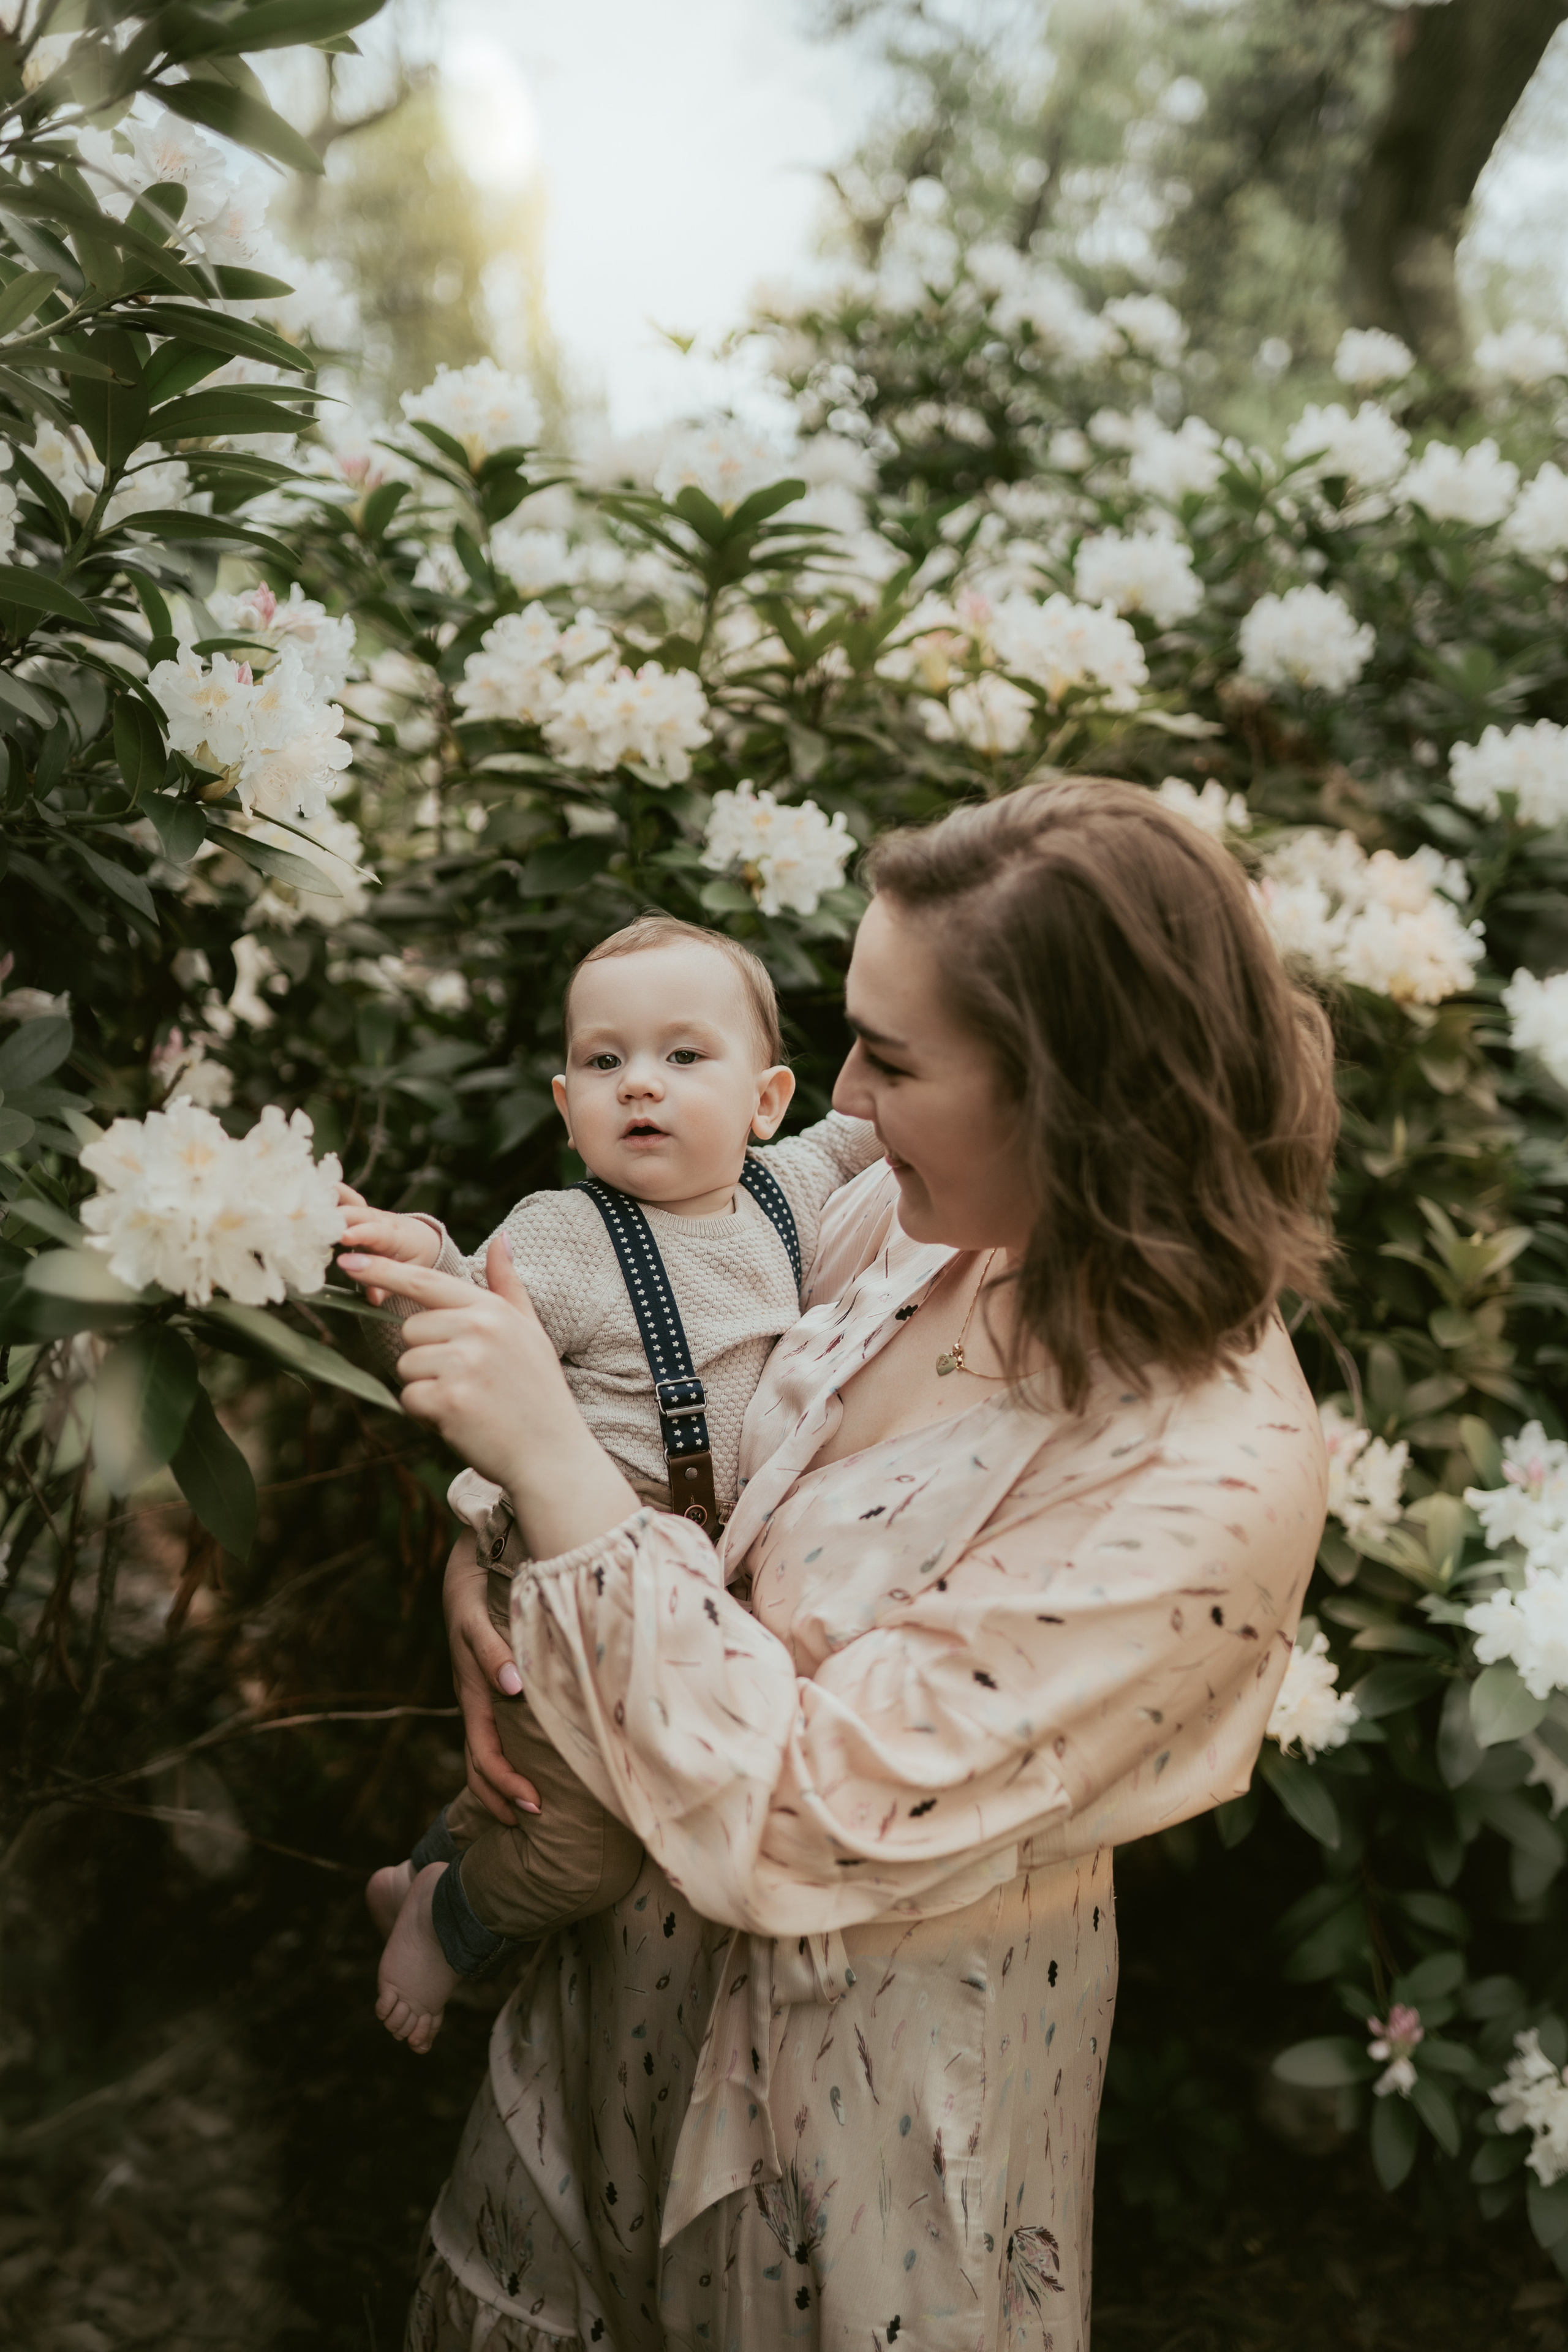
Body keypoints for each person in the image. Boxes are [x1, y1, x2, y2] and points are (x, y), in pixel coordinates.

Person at [339, 778, 1338, 2351]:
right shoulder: (911, 1212)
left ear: (1075, 1094)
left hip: (840, 2129)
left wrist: (547, 1477)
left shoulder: (1198, 1477)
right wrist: (496, 1540)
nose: (844, 1105)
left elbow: (808, 1815)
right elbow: (674, 1441)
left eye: (893, 1056)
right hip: (605, 2002)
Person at [342, 914, 882, 2051]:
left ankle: (426, 1869)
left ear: (767, 1100)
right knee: (580, 1850)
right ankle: (447, 1923)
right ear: (565, 1102)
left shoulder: (792, 1184)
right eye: (604, 1061)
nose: (640, 1084)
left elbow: (872, 1125)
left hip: (668, 1598)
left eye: (684, 1057)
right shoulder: (568, 1236)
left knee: (527, 1790)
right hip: (560, 1584)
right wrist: (410, 1251)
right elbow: (470, 1304)